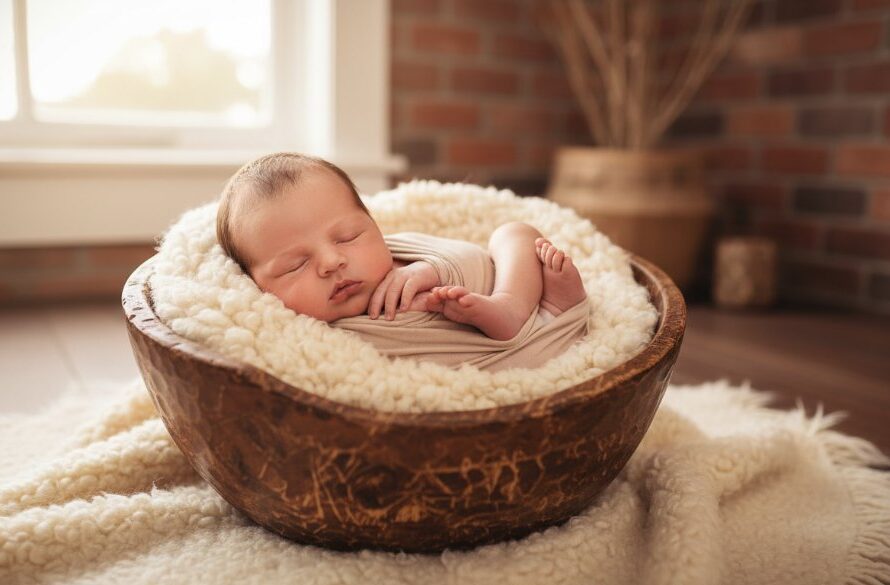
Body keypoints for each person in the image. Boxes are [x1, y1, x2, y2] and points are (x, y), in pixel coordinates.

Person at [217, 152, 589, 371]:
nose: (332, 261)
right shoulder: (310, 340)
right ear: (255, 286)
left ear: (375, 227)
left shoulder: (402, 257)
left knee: (513, 234)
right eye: (294, 265)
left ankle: (525, 305)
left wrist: (432, 270)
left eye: (348, 236)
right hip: (507, 371)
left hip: (534, 319)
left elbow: (473, 257)